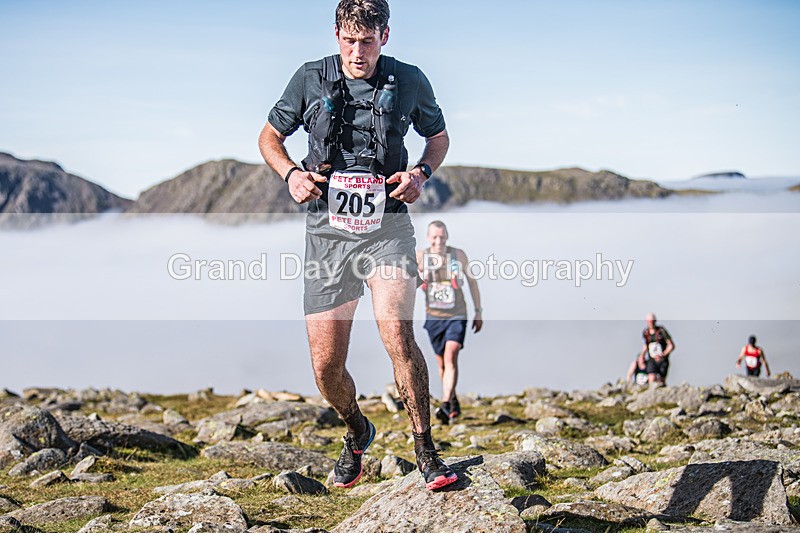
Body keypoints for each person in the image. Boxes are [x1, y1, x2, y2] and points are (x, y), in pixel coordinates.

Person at [257, 0, 457, 491]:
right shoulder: (308, 77)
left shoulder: (409, 79)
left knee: (397, 335)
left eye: (367, 41)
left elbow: (439, 137)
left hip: (387, 227)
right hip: (326, 234)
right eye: (349, 41)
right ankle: (356, 430)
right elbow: (268, 136)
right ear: (336, 34)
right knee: (326, 367)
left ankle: (426, 449)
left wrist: (420, 174)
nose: (357, 51)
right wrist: (290, 174)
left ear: (384, 36)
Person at [416, 221, 483, 425]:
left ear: (447, 237)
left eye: (442, 237)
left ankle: (445, 405)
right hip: (434, 317)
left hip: (457, 314)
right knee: (442, 364)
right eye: (435, 237)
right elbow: (409, 281)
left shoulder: (458, 255)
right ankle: (453, 400)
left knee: (451, 355)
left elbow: (472, 282)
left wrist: (478, 311)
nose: (439, 241)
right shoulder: (421, 257)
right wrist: (422, 278)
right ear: (428, 238)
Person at [637, 313, 674, 384]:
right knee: (651, 377)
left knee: (661, 380)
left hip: (662, 359)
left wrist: (663, 354)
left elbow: (671, 345)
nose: (651, 323)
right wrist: (642, 356)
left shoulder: (661, 331)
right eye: (649, 321)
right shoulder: (646, 333)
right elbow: (646, 345)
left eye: (652, 321)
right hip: (652, 359)